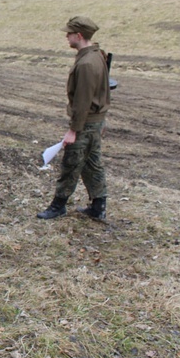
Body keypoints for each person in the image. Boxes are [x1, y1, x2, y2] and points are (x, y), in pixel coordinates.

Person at [37, 16, 110, 220]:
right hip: (95, 121)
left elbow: (83, 100)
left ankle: (58, 205)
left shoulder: (87, 62)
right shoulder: (97, 55)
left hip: (86, 123)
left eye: (69, 33)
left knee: (72, 163)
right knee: (92, 163)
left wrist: (73, 130)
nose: (66, 37)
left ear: (78, 35)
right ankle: (98, 206)